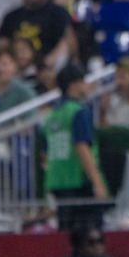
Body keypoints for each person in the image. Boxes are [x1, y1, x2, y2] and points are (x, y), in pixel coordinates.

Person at [42, 63, 109, 238]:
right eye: (84, 81)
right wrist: (97, 182)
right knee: (88, 236)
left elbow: (45, 154)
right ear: (74, 85)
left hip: (57, 181)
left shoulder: (53, 116)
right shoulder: (78, 112)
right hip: (79, 182)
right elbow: (83, 148)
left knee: (65, 237)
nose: (87, 86)